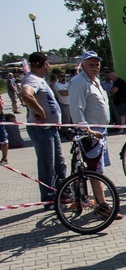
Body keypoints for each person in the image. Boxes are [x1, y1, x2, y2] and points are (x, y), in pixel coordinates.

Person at [68, 51, 124, 220]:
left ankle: (100, 204)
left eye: (97, 64)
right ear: (83, 65)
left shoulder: (95, 81)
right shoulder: (79, 82)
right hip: (91, 133)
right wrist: (87, 130)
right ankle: (103, 206)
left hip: (101, 131)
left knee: (98, 169)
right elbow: (76, 109)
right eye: (91, 64)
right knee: (95, 170)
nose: (95, 67)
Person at [20, 52, 68, 208]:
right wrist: (40, 111)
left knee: (59, 163)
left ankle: (62, 193)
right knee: (47, 164)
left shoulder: (39, 80)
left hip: (50, 129)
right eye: (47, 63)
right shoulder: (31, 79)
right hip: (42, 130)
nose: (49, 66)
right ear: (43, 63)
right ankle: (49, 198)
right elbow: (26, 95)